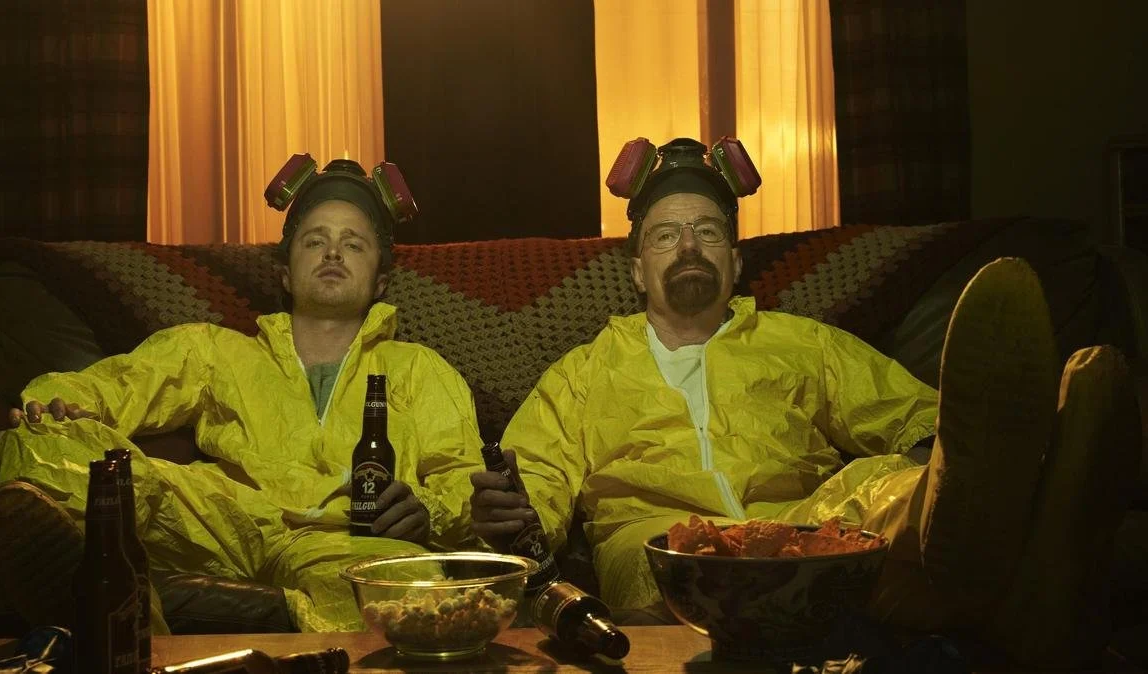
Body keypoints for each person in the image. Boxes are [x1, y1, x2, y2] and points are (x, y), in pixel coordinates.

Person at [470, 137, 1140, 667]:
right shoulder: (583, 373)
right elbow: (534, 486)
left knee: (875, 486)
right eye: (665, 235)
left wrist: (926, 465)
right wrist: (514, 512)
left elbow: (923, 420)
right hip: (665, 560)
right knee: (735, 555)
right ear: (638, 267)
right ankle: (1041, 551)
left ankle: (1035, 541)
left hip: (806, 536)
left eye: (707, 232)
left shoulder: (805, 345)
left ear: (734, 262)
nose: (688, 247)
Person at [0, 155, 485, 633]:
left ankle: (114, 605)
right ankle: (100, 598)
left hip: (351, 537)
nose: (333, 253)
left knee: (400, 591)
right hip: (229, 518)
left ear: (380, 282)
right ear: (286, 274)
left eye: (353, 244)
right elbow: (118, 383)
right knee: (38, 442)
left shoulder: (419, 368)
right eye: (315, 242)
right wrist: (54, 403)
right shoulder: (214, 349)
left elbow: (464, 477)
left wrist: (427, 514)